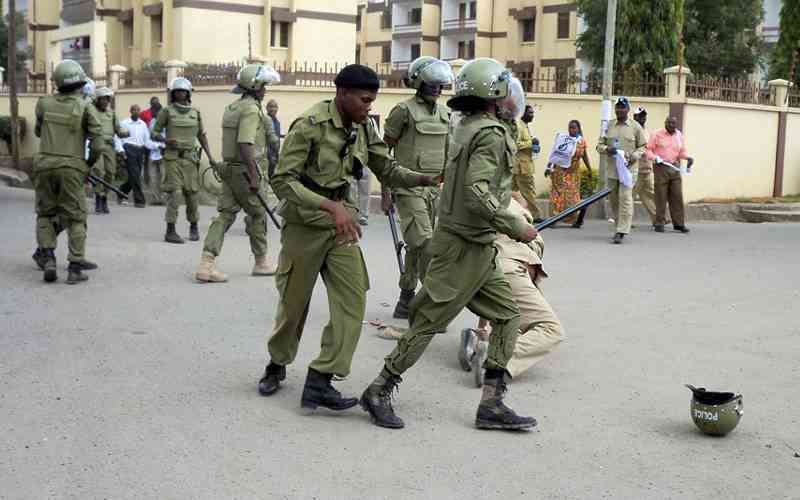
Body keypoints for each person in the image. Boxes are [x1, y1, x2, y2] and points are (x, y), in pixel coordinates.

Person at [360, 58, 539, 431]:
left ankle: (491, 403)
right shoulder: (490, 133)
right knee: (426, 324)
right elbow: (476, 192)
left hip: (477, 245)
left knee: (508, 317)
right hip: (462, 249)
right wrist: (515, 226)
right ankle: (379, 389)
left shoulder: (469, 124)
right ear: (493, 93)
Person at [257, 64, 440, 411]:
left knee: (352, 302)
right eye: (364, 99)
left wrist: (422, 179)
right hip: (305, 225)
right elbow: (282, 180)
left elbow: (385, 166)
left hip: (341, 228)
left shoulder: (364, 126)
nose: (368, 107)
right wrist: (329, 206)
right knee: (293, 306)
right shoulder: (310, 126)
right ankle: (276, 364)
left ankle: (320, 380)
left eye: (372, 101)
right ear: (342, 93)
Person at [458, 193, 563, 386]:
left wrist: (482, 327)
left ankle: (478, 338)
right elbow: (528, 270)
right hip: (510, 269)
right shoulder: (523, 222)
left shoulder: (477, 206)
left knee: (509, 320)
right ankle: (495, 361)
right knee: (550, 329)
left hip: (475, 270)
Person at [194, 63, 281, 283]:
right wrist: (253, 175)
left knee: (224, 215)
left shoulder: (233, 107)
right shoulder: (252, 109)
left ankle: (207, 264)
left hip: (229, 169)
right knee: (258, 214)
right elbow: (245, 142)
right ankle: (261, 262)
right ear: (255, 86)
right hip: (245, 170)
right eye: (263, 86)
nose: (265, 90)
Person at [381, 56, 453, 319]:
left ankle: (406, 298)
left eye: (439, 83)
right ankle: (430, 305)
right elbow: (383, 153)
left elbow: (451, 155)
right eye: (430, 82)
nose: (436, 87)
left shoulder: (447, 114)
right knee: (424, 242)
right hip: (407, 188)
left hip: (437, 190)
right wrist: (386, 192)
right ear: (418, 83)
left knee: (416, 245)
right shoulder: (403, 111)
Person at [31, 60, 104, 284]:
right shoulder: (85, 106)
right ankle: (74, 267)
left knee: (45, 214)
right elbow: (98, 144)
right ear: (80, 82)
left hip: (44, 166)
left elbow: (38, 131)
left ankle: (48, 258)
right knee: (76, 217)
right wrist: (87, 164)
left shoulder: (43, 103)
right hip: (71, 168)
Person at [151, 77, 219, 244]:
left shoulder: (195, 113)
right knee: (175, 193)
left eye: (183, 91)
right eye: (178, 91)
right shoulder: (167, 111)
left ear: (188, 93)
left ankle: (193, 226)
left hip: (190, 159)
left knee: (192, 194)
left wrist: (210, 157)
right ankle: (170, 230)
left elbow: (202, 136)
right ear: (173, 94)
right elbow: (154, 133)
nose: (181, 94)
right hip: (172, 158)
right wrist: (166, 141)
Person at [596, 97, 647, 244]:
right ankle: (618, 225)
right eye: (617, 107)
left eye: (622, 107)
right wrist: (607, 149)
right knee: (614, 200)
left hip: (628, 170)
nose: (619, 110)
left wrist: (635, 156)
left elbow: (643, 146)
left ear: (628, 110)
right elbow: (599, 145)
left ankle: (621, 230)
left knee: (625, 198)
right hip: (612, 170)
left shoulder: (635, 127)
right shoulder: (608, 126)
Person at [647, 116, 694, 233]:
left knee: (677, 196)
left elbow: (682, 151)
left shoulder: (679, 135)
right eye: (668, 123)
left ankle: (679, 224)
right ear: (665, 123)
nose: (671, 125)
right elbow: (648, 150)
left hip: (674, 167)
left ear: (676, 124)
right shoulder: (656, 134)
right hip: (661, 166)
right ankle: (659, 223)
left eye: (673, 123)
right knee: (661, 196)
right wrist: (655, 158)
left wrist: (687, 158)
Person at [545, 119, 592, 228]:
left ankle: (575, 219)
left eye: (574, 127)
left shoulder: (581, 142)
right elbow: (555, 153)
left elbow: (585, 156)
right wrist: (548, 167)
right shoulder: (563, 139)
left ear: (578, 129)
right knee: (558, 195)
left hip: (574, 173)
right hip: (560, 172)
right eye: (570, 127)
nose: (571, 130)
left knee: (572, 198)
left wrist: (589, 169)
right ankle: (554, 219)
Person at [90, 87, 129, 214]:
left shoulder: (111, 113)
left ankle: (104, 197)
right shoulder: (91, 112)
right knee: (98, 172)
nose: (106, 102)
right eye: (103, 99)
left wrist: (125, 133)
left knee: (110, 173)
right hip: (96, 144)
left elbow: (118, 129)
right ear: (97, 100)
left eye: (107, 99)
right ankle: (98, 199)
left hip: (109, 146)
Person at [512, 104, 543, 222]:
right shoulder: (519, 126)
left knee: (512, 191)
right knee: (529, 191)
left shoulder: (524, 126)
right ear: (523, 113)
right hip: (522, 167)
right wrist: (531, 142)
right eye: (530, 113)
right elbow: (516, 144)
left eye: (533, 113)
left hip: (520, 166)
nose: (532, 115)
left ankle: (513, 213)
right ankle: (536, 215)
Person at [118, 104, 150, 208]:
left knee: (135, 175)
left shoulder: (143, 124)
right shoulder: (124, 123)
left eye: (138, 110)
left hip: (140, 150)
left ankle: (122, 191)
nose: (136, 112)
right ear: (130, 111)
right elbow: (117, 137)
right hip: (129, 149)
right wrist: (121, 150)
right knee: (135, 174)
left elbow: (147, 139)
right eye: (134, 110)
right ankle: (139, 200)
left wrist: (157, 146)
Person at [632, 107, 658, 227]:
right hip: (636, 169)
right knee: (629, 196)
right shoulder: (632, 130)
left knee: (650, 195)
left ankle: (657, 218)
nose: (643, 118)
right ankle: (623, 221)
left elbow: (650, 148)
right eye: (640, 116)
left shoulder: (646, 131)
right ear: (634, 117)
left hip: (647, 169)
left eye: (644, 116)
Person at [146, 119, 165, 205]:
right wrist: (158, 146)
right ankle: (155, 199)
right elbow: (147, 140)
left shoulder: (166, 121)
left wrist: (163, 146)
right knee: (153, 178)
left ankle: (163, 199)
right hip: (153, 155)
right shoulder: (152, 122)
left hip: (164, 155)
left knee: (164, 177)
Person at [266, 98, 281, 178]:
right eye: (271, 107)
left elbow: (276, 135)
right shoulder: (266, 120)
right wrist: (270, 155)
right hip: (268, 154)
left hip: (275, 153)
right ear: (267, 108)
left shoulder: (276, 121)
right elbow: (265, 138)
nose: (273, 109)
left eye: (275, 107)